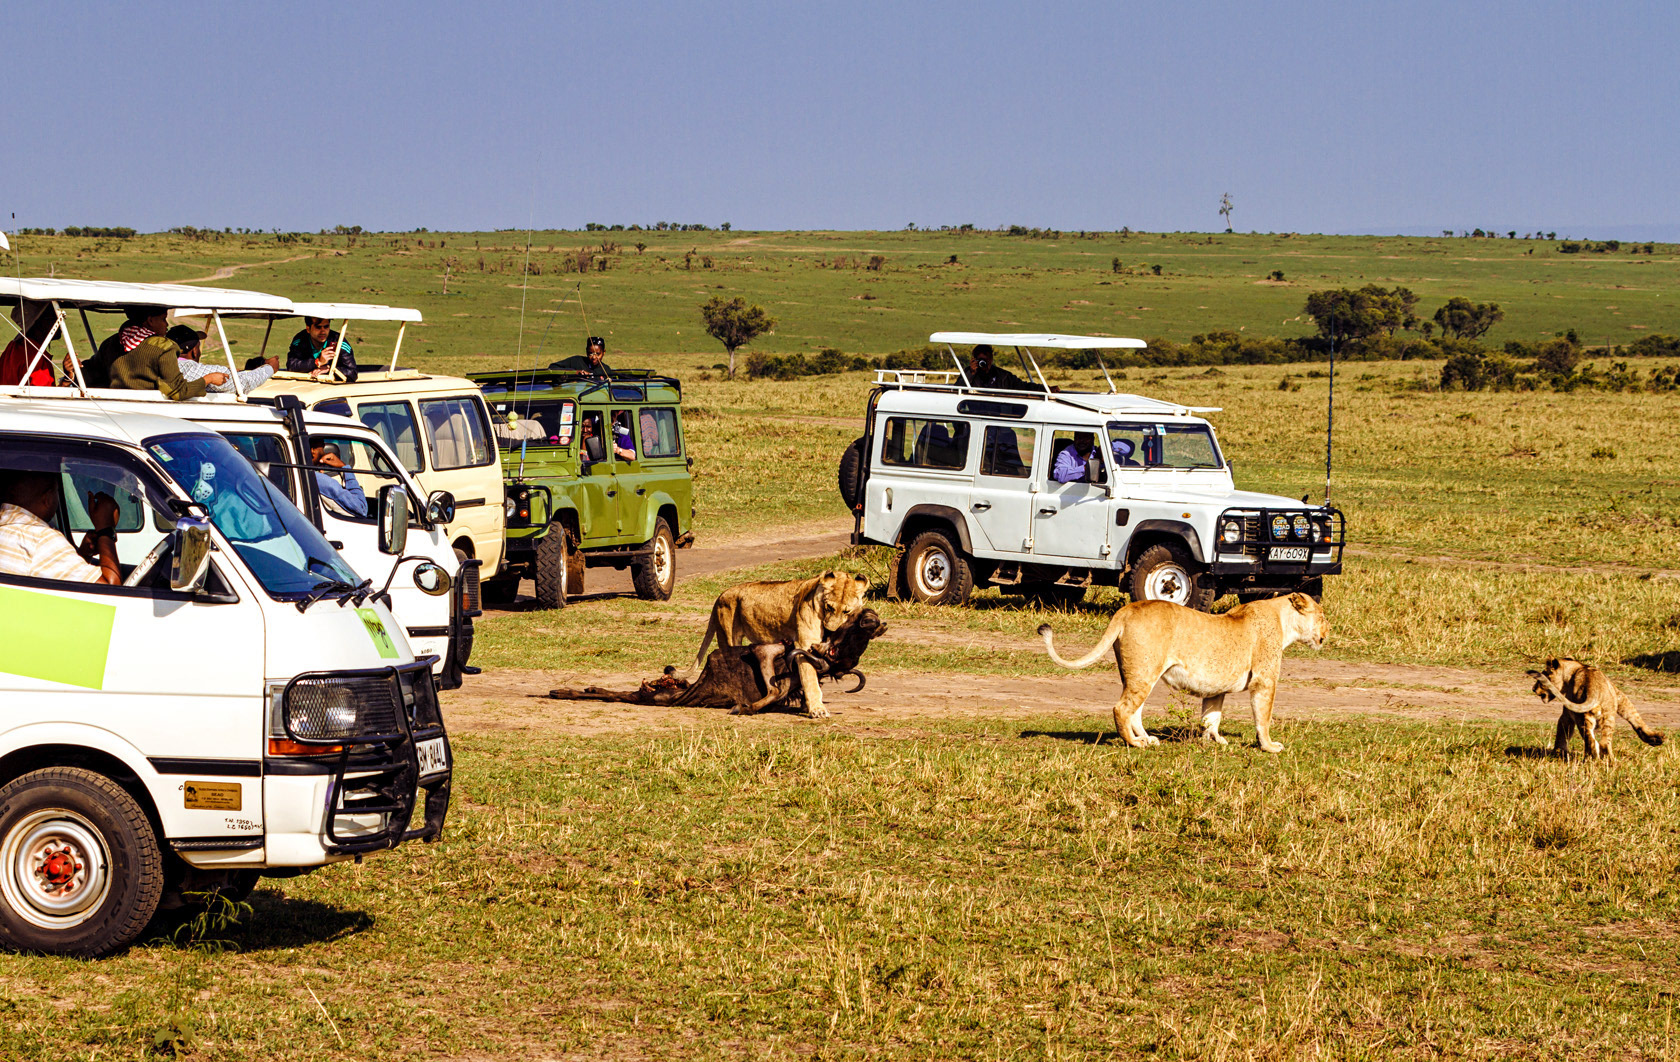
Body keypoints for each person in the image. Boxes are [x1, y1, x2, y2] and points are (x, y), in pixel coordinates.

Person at [0, 471, 121, 585]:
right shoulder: (41, 538)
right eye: (57, 491)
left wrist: (83, 554)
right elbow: (110, 589)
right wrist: (105, 529)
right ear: (47, 499)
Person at [108, 317, 226, 399]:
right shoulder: (162, 347)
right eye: (164, 319)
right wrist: (209, 379)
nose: (167, 324)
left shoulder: (113, 342)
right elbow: (178, 391)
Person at [168, 325, 277, 394]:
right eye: (198, 346)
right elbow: (242, 383)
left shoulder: (167, 364)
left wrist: (230, 371)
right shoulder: (189, 369)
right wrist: (270, 368)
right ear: (194, 351)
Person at [0, 301, 56, 386]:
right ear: (40, 323)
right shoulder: (35, 356)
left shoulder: (12, 348)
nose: (57, 321)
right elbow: (44, 396)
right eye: (52, 317)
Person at [287, 317, 359, 382]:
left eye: (326, 327)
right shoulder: (300, 340)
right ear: (308, 329)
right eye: (318, 327)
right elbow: (291, 366)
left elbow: (352, 373)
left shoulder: (339, 342)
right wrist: (317, 362)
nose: (323, 331)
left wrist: (329, 369)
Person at [310, 441, 368, 517]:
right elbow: (361, 508)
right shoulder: (319, 480)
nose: (324, 446)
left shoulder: (307, 476)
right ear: (313, 450)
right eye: (321, 445)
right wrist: (344, 468)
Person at [967, 344, 1034, 391]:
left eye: (988, 359)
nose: (985, 363)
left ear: (991, 359)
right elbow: (958, 389)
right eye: (982, 360)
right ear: (975, 360)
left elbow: (1023, 386)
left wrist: (1042, 388)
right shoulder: (968, 373)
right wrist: (971, 373)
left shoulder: (1003, 376)